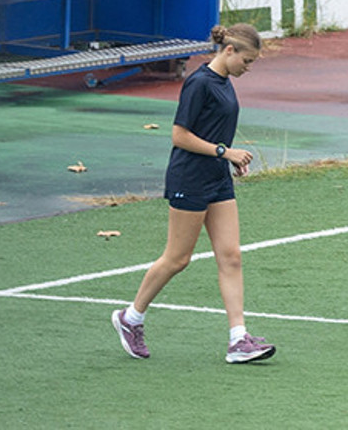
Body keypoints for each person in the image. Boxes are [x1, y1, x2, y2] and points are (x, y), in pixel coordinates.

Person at [111, 23, 276, 363]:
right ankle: (131, 318)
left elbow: (213, 130)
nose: (248, 68)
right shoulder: (199, 83)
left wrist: (227, 159)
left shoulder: (225, 82)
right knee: (177, 258)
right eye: (246, 61)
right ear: (229, 51)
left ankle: (238, 339)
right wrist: (224, 152)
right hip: (190, 179)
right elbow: (179, 136)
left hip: (217, 179)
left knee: (231, 256)